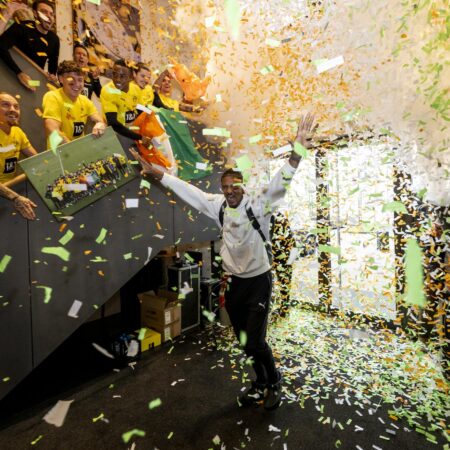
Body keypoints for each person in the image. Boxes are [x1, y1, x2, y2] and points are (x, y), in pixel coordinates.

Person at [130, 113, 317, 410]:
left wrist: (296, 154)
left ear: (243, 186)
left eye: (234, 187)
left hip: (258, 282)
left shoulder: (259, 204)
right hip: (234, 284)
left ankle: (272, 381)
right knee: (244, 341)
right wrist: (158, 173)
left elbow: (281, 181)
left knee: (256, 341)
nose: (229, 192)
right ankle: (259, 381)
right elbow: (188, 191)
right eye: (225, 187)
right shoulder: (217, 205)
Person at [42, 60, 106, 146]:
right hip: (59, 155)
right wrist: (72, 148)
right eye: (71, 79)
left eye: (80, 80)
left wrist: (100, 124)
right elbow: (51, 129)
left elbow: (99, 119)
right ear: (61, 79)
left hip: (79, 154)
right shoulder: (53, 97)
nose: (77, 84)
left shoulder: (85, 100)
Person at [0, 0, 60, 91]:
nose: (49, 16)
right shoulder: (21, 28)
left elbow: (52, 67)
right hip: (9, 75)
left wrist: (52, 77)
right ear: (35, 14)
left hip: (32, 82)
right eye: (44, 12)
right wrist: (19, 73)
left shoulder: (54, 39)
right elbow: (1, 46)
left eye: (51, 14)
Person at [100, 59, 151, 146]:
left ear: (131, 76)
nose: (117, 80)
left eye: (122, 76)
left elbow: (142, 112)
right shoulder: (108, 90)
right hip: (115, 137)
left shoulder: (136, 89)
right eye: (114, 74)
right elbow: (113, 124)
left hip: (133, 136)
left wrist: (153, 115)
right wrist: (140, 137)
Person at [0, 91, 37, 183]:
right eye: (5, 105)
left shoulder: (18, 132)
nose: (13, 109)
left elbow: (36, 158)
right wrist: (16, 197)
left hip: (12, 187)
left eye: (16, 107)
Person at [271, 210, 297, 318]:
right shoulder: (278, 217)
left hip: (284, 256)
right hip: (285, 255)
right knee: (284, 285)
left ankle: (284, 310)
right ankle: (283, 309)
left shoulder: (276, 218)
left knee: (284, 284)